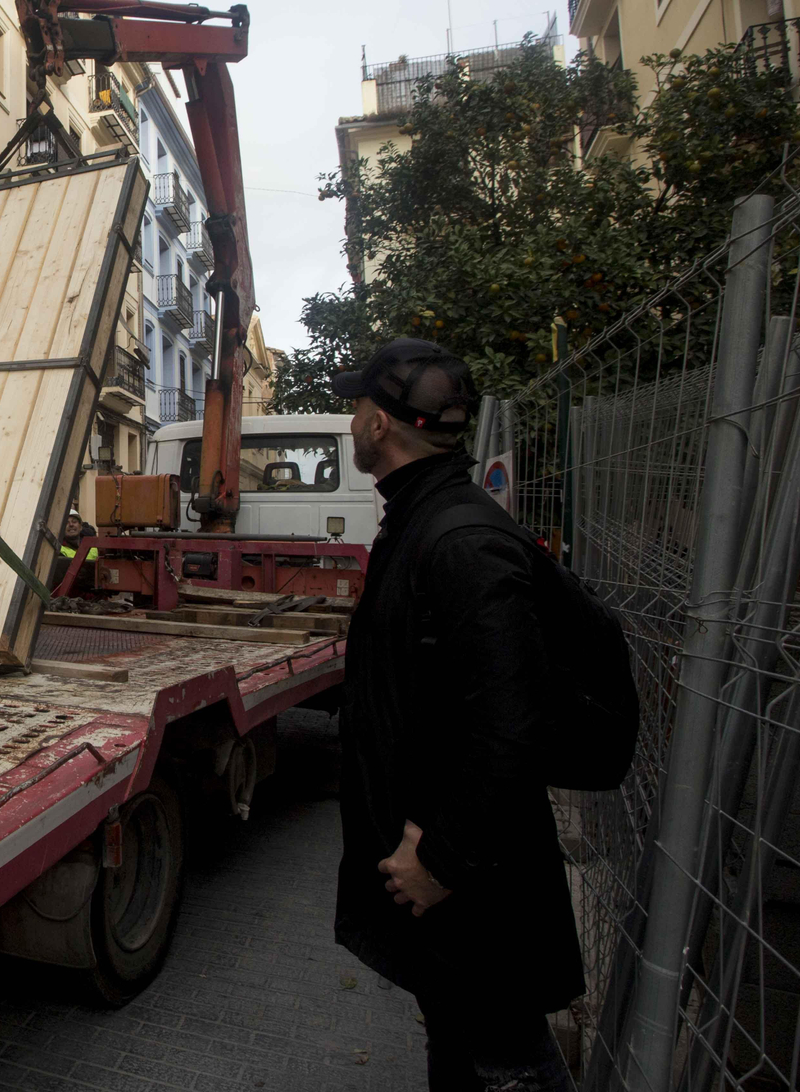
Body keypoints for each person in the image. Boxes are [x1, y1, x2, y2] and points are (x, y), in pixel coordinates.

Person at [329, 338, 582, 1092]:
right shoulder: (423, 518)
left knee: (505, 1058)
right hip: (455, 889)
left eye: (356, 406)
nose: (351, 420)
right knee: (462, 1047)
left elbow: (511, 721)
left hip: (477, 898)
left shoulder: (460, 537)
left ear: (381, 423)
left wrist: (442, 857)